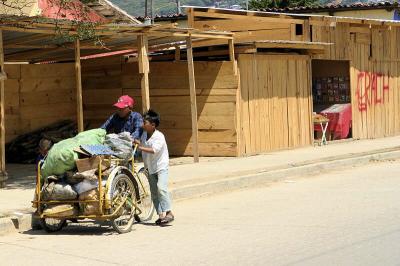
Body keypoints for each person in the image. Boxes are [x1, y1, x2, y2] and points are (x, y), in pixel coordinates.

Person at [134, 109, 174, 225]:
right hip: (150, 168)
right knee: (154, 192)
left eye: (145, 122)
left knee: (161, 188)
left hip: (161, 167)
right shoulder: (144, 135)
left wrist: (140, 147)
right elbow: (141, 146)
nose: (143, 124)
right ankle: (161, 215)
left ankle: (169, 212)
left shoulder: (159, 136)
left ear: (153, 125)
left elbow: (154, 150)